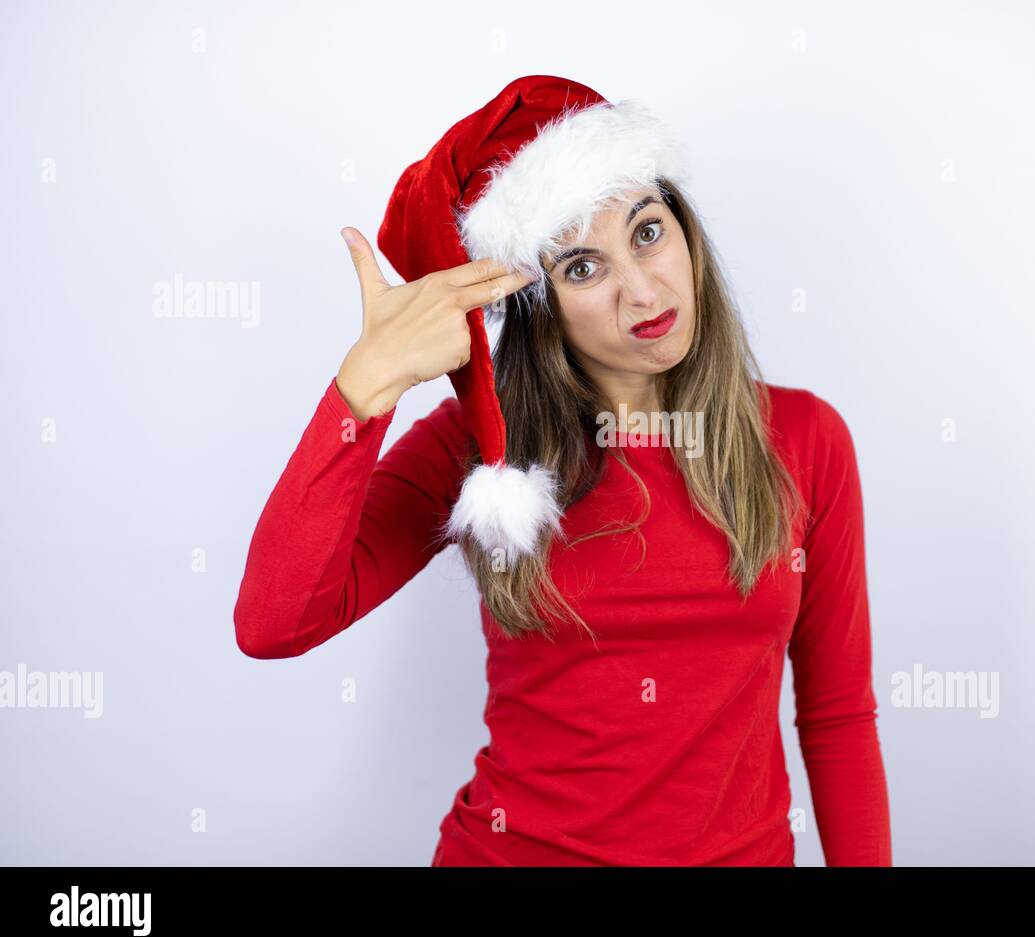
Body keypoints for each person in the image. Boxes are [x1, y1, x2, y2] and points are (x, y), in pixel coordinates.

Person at [233, 75, 891, 867]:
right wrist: (364, 390)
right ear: (537, 303)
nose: (641, 289)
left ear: (683, 230)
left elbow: (837, 714)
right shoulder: (477, 447)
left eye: (647, 232)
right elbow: (273, 624)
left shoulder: (806, 439)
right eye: (583, 267)